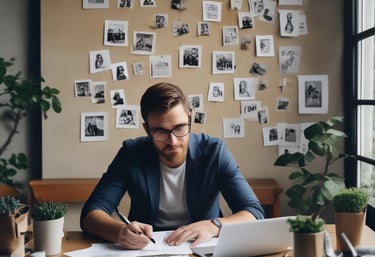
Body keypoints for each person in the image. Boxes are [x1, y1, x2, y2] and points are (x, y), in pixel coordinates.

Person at [80, 82, 264, 250]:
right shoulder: (132, 153)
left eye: (180, 127)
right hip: (148, 250)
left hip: (201, 247)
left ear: (189, 119)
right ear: (147, 129)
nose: (173, 141)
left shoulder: (214, 152)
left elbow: (253, 212)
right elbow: (91, 213)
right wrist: (119, 232)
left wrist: (214, 225)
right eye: (160, 131)